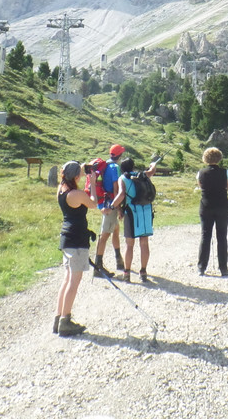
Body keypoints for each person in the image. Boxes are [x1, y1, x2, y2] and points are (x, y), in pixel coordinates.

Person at [54, 160, 97, 336]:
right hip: (77, 239)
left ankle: (58, 318)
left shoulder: (62, 189)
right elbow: (93, 203)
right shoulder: (76, 194)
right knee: (74, 281)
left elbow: (72, 173)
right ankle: (66, 321)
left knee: (67, 279)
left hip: (67, 238)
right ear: (77, 176)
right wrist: (92, 184)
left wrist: (82, 168)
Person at [110, 156, 158, 283]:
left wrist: (113, 206)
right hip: (146, 211)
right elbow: (152, 171)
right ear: (133, 166)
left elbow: (121, 195)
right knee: (144, 243)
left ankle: (127, 273)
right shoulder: (142, 175)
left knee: (129, 245)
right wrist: (153, 164)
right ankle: (143, 272)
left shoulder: (123, 179)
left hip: (132, 212)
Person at [196, 146, 228, 276]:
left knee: (205, 236)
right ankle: (223, 268)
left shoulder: (201, 173)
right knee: (222, 237)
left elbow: (201, 186)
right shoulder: (225, 172)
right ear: (219, 158)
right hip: (222, 206)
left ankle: (201, 267)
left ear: (205, 158)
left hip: (206, 206)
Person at [92, 144, 126, 277]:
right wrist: (119, 208)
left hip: (103, 202)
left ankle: (119, 260)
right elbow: (116, 189)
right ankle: (98, 266)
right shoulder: (115, 168)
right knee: (105, 234)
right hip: (111, 204)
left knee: (115, 229)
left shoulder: (105, 164)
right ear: (120, 155)